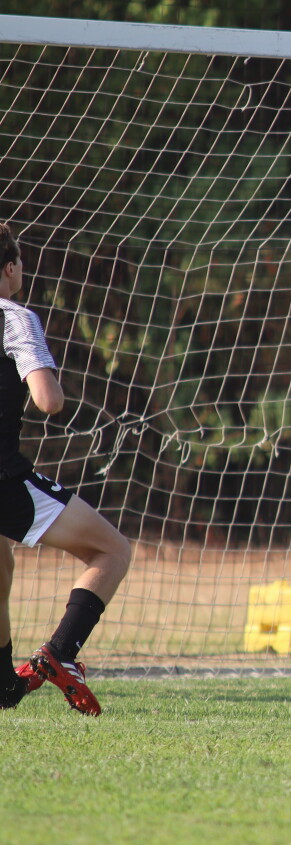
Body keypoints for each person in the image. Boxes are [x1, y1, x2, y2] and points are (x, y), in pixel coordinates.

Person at [0, 224, 133, 716]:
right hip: (4, 477)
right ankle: (61, 652)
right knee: (112, 549)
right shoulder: (13, 317)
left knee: (1, 564)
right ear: (10, 267)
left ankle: (2, 682)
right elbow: (48, 401)